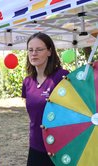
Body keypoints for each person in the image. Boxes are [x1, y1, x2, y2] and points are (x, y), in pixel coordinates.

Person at [21, 32, 69, 166]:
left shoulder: (62, 77)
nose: (33, 53)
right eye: (30, 50)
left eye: (39, 49)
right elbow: (33, 114)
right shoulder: (27, 82)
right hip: (36, 145)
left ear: (49, 52)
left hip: (59, 146)